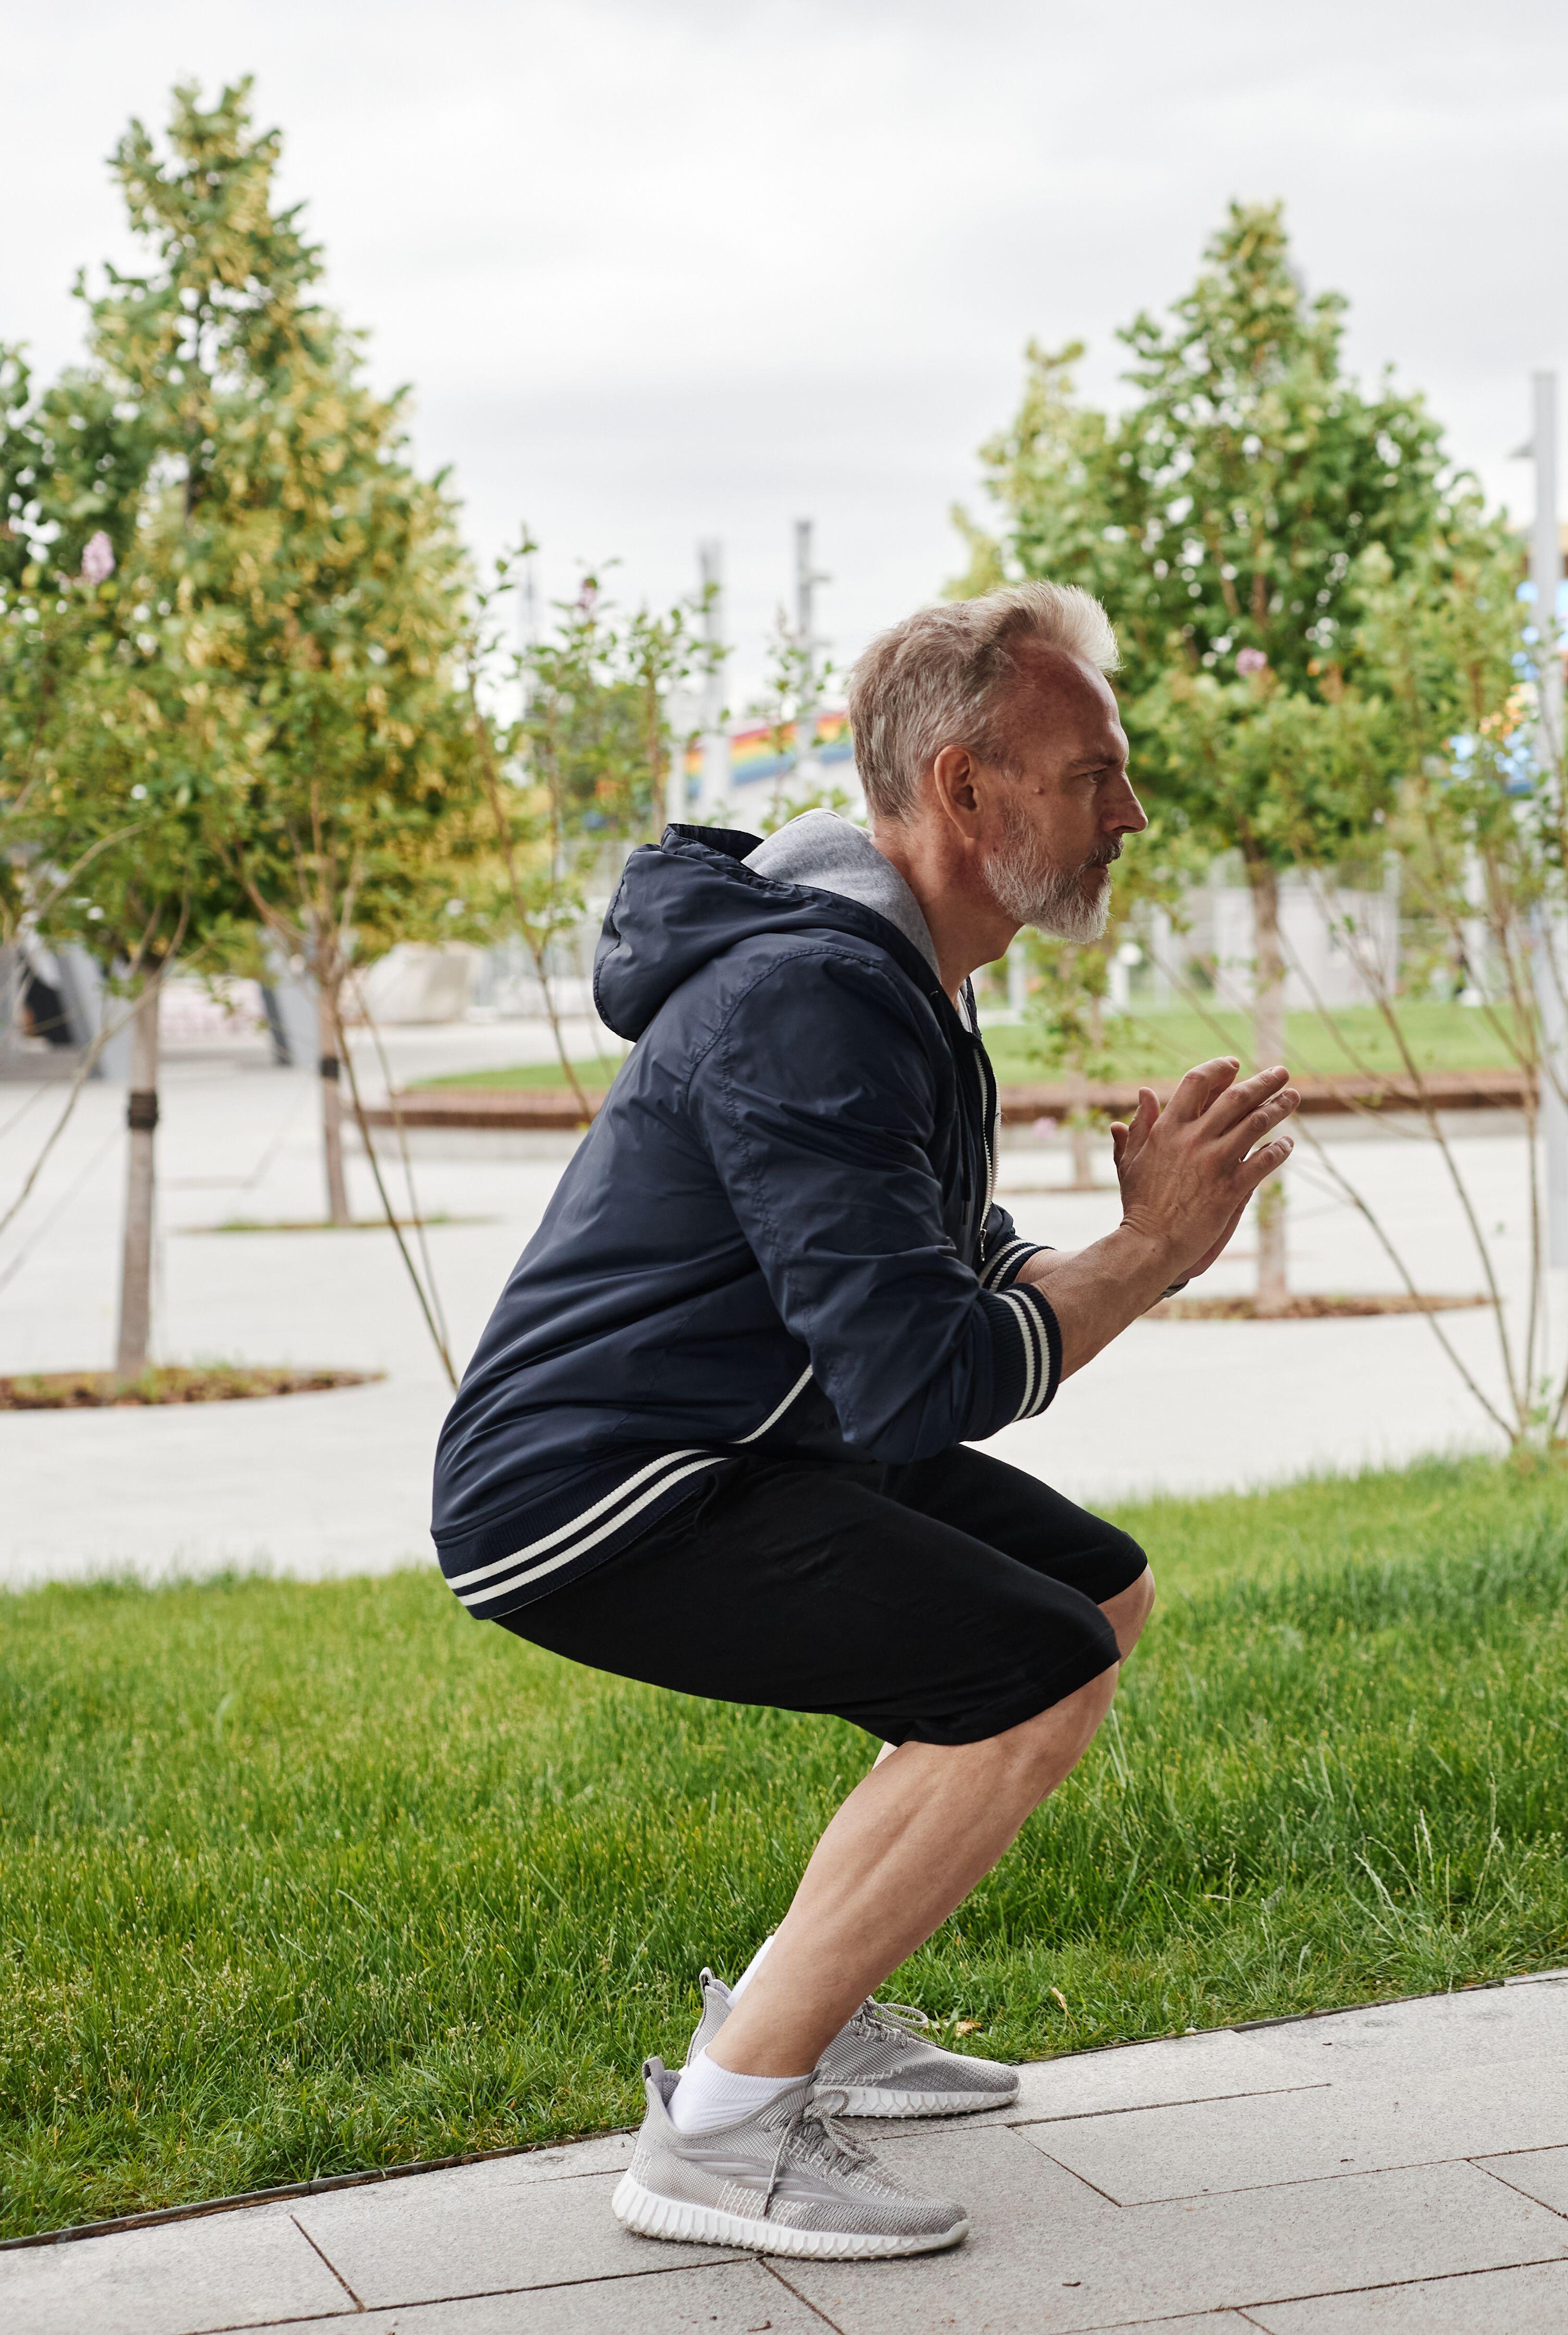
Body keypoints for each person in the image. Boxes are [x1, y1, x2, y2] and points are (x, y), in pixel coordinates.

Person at [430, 582, 1295, 2259]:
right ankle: (725, 2134)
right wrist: (1149, 1254)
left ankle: (801, 2018)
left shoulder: (896, 977)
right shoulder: (816, 995)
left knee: (1090, 1600)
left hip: (740, 1445)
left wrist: (1125, 1248)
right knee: (1023, 1668)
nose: (1130, 811)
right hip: (596, 1493)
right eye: (1091, 774)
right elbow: (921, 1380)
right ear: (965, 791)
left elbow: (944, 1283)